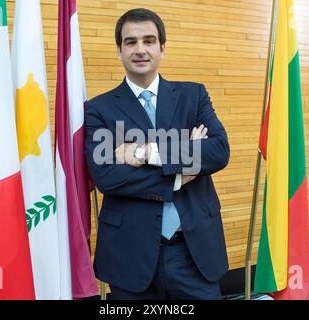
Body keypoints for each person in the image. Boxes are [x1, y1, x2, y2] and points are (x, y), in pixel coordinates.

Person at [84, 8, 230, 300]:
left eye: (149, 40)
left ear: (162, 48)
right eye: (131, 42)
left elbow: (217, 151)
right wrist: (180, 172)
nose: (140, 49)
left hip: (194, 253)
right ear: (119, 51)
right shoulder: (98, 109)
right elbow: (108, 177)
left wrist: (145, 151)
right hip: (130, 256)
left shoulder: (193, 96)